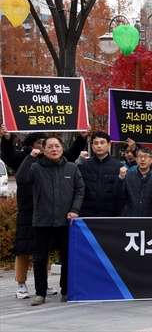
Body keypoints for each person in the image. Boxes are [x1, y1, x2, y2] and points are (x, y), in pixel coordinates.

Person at [1, 125, 88, 299]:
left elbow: (78, 186)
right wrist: (7, 139)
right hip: (34, 213)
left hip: (62, 217)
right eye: (44, 145)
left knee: (62, 255)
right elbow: (17, 170)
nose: (51, 149)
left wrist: (81, 138)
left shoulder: (69, 166)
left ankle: (62, 289)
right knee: (29, 252)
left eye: (56, 146)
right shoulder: (30, 162)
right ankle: (26, 286)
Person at [78, 132, 123, 217]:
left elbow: (121, 195)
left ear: (109, 144)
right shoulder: (84, 165)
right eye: (96, 143)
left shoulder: (118, 167)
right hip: (85, 215)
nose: (99, 146)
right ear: (92, 145)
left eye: (102, 143)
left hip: (109, 215)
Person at [115, 147, 152, 217]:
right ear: (136, 159)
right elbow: (118, 194)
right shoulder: (127, 176)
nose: (142, 159)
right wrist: (121, 178)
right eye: (140, 156)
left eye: (146, 156)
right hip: (130, 218)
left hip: (149, 219)